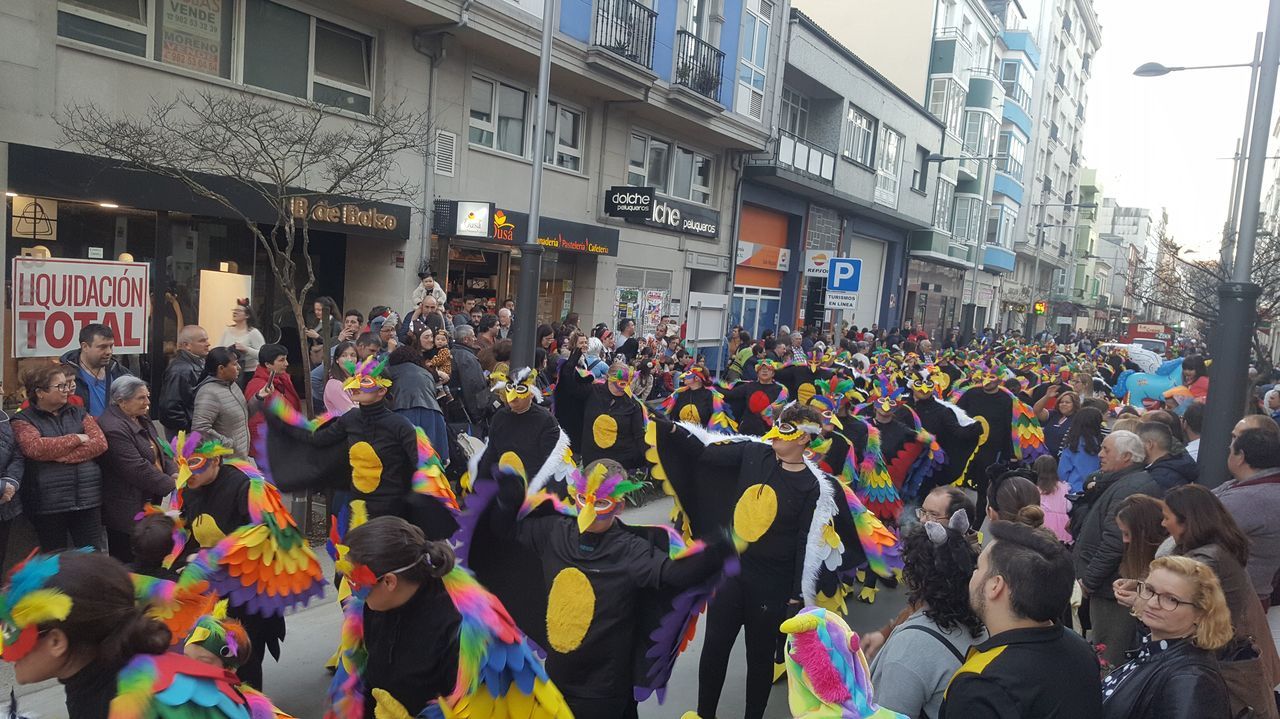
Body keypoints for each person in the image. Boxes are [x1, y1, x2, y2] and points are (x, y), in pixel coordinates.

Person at [653, 403, 869, 719]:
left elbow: (805, 543)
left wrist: (796, 594)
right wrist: (672, 430)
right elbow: (706, 453)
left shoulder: (812, 486)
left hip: (772, 586)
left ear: (803, 438)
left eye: (786, 429)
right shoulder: (754, 453)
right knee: (715, 648)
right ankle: (704, 714)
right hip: (731, 574)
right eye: (778, 425)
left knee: (760, 659)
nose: (776, 433)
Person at [484, 458, 733, 717]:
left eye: (601, 502)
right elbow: (505, 531)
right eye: (583, 499)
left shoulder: (629, 550)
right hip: (558, 679)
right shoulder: (554, 532)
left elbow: (676, 574)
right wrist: (507, 500)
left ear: (619, 506)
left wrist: (721, 547)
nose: (589, 511)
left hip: (603, 690)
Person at [332, 515, 571, 717]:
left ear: (389, 581)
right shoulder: (371, 609)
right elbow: (362, 683)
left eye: (355, 584)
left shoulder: (463, 633)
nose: (350, 591)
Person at [0, 550, 267, 719]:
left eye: (12, 632)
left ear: (57, 641)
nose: (3, 651)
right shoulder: (92, 680)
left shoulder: (147, 701)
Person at [171, 431, 325, 689]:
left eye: (195, 462)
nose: (186, 472)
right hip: (210, 590)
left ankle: (250, 701)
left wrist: (214, 556)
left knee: (244, 658)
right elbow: (189, 528)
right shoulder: (191, 487)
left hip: (247, 592)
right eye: (181, 463)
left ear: (216, 460)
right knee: (210, 656)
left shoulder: (247, 487)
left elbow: (268, 537)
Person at [940, 520, 1102, 719]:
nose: (973, 573)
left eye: (979, 567)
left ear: (995, 585)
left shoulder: (980, 686)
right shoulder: (1080, 648)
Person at [1159, 484, 1280, 717]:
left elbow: (1175, 602)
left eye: (1166, 517)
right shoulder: (1216, 550)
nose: (1163, 524)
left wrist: (1139, 597)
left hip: (1218, 663)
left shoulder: (1207, 560)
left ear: (1187, 521)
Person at [869, 510, 986, 719]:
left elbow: (888, 713)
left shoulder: (909, 647)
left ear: (915, 577)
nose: (922, 518)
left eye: (932, 513)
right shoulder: (983, 621)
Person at [1101, 556, 1233, 719]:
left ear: (1200, 613)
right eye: (1149, 590)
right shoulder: (1155, 652)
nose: (1152, 603)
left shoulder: (1190, 678)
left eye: (1171, 599)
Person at [1070, 430, 1161, 668]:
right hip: (1112, 584)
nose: (1100, 454)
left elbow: (1115, 542)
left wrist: (1088, 581)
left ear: (1126, 456)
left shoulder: (1128, 487)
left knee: (1108, 653)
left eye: (1106, 450)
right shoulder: (1126, 482)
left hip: (1112, 588)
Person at [12, 364, 108, 550]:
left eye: (68, 385)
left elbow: (100, 443)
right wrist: (76, 438)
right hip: (48, 503)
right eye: (61, 386)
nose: (67, 390)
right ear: (40, 392)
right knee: (55, 557)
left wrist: (65, 456)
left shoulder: (78, 412)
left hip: (87, 499)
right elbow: (36, 447)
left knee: (91, 556)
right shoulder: (23, 420)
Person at [97, 375, 177, 562]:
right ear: (121, 401)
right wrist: (173, 484)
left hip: (148, 499)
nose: (147, 402)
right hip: (126, 506)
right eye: (141, 398)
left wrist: (173, 471)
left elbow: (161, 448)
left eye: (147, 396)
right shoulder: (112, 427)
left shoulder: (141, 417)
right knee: (128, 558)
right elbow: (136, 468)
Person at [1215, 427, 1280, 604]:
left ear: (1241, 457)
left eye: (1231, 450)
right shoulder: (1246, 486)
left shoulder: (1250, 498)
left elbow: (1196, 526)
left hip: (1233, 599)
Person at [385, 340, 450, 466]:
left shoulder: (391, 371)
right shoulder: (426, 373)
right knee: (431, 461)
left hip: (402, 411)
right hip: (433, 413)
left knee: (404, 459)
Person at [191, 347, 252, 459]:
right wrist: (228, 444)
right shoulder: (208, 393)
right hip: (224, 461)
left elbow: (243, 412)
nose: (239, 367)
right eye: (234, 364)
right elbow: (200, 430)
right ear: (221, 368)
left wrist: (258, 398)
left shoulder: (232, 385)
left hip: (240, 457)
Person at [60, 323, 132, 417]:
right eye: (102, 347)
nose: (109, 352)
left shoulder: (120, 373)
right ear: (85, 347)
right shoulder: (65, 375)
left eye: (111, 346)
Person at [244, 344, 299, 460]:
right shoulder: (257, 386)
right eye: (281, 360)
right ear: (267, 364)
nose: (287, 363)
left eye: (286, 359)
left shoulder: (281, 379)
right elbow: (256, 423)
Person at [158, 324, 211, 436]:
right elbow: (170, 408)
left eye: (207, 340)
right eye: (202, 341)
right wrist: (189, 429)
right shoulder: (180, 370)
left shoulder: (198, 363)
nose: (208, 344)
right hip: (184, 434)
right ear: (187, 345)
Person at [1113, 494, 1168, 597]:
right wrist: (1138, 585)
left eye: (1127, 534)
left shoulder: (1168, 558)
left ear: (1145, 531)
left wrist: (1138, 599)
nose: (1124, 540)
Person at [721, 358, 787, 436]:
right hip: (747, 428)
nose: (764, 371)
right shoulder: (749, 386)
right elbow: (730, 394)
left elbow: (780, 412)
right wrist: (712, 388)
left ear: (773, 373)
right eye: (761, 369)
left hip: (768, 431)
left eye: (768, 369)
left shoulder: (780, 390)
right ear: (757, 373)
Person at [1138, 421, 1197, 491]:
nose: (1135, 446)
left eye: (1138, 442)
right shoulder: (1177, 464)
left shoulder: (1159, 478)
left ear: (1149, 444)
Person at [1059, 406, 1104, 493]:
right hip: (1095, 488)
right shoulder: (1101, 444)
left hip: (1073, 489)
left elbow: (1063, 472)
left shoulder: (1073, 444)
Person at [220, 300, 265, 387]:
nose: (235, 312)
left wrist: (246, 349)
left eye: (239, 311)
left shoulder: (253, 333)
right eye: (234, 310)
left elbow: (263, 355)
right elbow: (219, 348)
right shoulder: (227, 331)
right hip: (230, 373)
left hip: (249, 374)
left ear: (247, 315)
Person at [0, 404, 21, 568]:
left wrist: (11, 482)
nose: (2, 392)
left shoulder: (4, 420)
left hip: (4, 506)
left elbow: (16, 455)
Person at [1032, 455, 1072, 543]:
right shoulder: (1063, 487)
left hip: (1042, 523)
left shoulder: (1035, 488)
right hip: (1062, 526)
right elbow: (1068, 507)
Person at [325, 341, 359, 415]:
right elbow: (351, 413)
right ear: (337, 360)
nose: (349, 360)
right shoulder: (334, 384)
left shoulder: (357, 379)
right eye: (344, 356)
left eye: (353, 355)